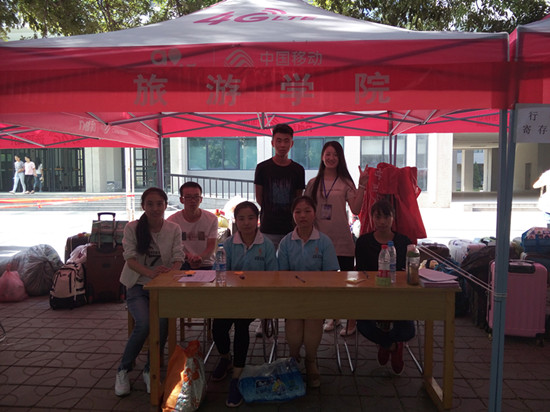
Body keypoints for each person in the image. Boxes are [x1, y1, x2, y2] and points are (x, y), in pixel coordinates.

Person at [115, 187, 184, 396]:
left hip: (162, 286)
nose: (155, 208)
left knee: (162, 323)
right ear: (143, 206)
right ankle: (123, 369)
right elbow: (130, 259)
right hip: (138, 285)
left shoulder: (173, 228)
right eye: (150, 204)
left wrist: (170, 273)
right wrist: (151, 273)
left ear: (165, 205)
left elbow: (178, 257)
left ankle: (150, 369)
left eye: (159, 204)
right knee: (144, 323)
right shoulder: (132, 228)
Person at [211, 201, 278, 407]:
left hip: (256, 298)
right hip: (231, 298)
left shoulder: (266, 245)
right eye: (241, 218)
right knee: (218, 327)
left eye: (250, 218)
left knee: (241, 326)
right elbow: (219, 273)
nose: (246, 222)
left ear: (257, 220)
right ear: (236, 221)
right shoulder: (228, 244)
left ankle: (237, 378)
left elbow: (273, 275)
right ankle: (226, 358)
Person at [305, 141, 368, 336]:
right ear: (322, 157)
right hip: (319, 242)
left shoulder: (346, 182)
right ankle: (333, 316)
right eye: (328, 154)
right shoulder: (313, 183)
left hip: (342, 240)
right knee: (325, 284)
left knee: (346, 283)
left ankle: (351, 319)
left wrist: (362, 185)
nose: (331, 158)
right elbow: (305, 210)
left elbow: (356, 209)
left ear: (340, 158)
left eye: (335, 154)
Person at [277, 195, 339, 388]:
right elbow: (282, 274)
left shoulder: (324, 241)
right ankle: (294, 358)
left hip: (316, 297)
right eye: (298, 212)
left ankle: (311, 361)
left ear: (314, 214)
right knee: (294, 331)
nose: (302, 215)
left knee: (313, 325)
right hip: (293, 297)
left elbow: (331, 273)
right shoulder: (286, 242)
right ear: (293, 215)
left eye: (307, 211)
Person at [354, 198, 415, 375]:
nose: (382, 221)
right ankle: (392, 345)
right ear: (371, 218)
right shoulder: (363, 242)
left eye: (386, 217)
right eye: (377, 217)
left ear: (393, 218)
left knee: (408, 329)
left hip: (398, 296)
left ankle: (386, 343)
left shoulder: (403, 242)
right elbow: (360, 272)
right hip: (371, 296)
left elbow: (409, 271)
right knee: (363, 325)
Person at [254, 123, 305, 250]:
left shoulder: (298, 170)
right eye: (279, 141)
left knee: (291, 261)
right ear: (272, 143)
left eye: (286, 141)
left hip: (291, 227)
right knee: (268, 261)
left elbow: (298, 198)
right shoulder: (262, 168)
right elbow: (259, 198)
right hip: (268, 227)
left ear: (291, 144)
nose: (282, 145)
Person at [167, 182, 218, 270]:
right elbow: (172, 247)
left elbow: (211, 246)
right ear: (181, 200)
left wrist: (199, 258)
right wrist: (188, 257)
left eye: (196, 197)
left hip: (206, 263)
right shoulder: (172, 220)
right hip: (182, 263)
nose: (193, 200)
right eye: (188, 197)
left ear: (201, 199)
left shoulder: (212, 219)